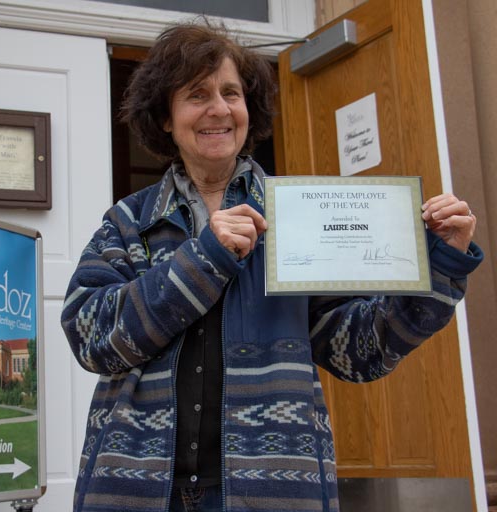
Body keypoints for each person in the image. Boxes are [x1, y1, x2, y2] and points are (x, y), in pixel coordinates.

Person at [60, 19, 483, 512]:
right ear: (166, 118)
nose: (219, 108)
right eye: (197, 94)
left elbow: (359, 351)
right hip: (134, 492)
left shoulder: (298, 217)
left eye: (231, 93)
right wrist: (204, 258)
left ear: (248, 109)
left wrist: (440, 265)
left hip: (275, 493)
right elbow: (89, 337)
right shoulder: (129, 222)